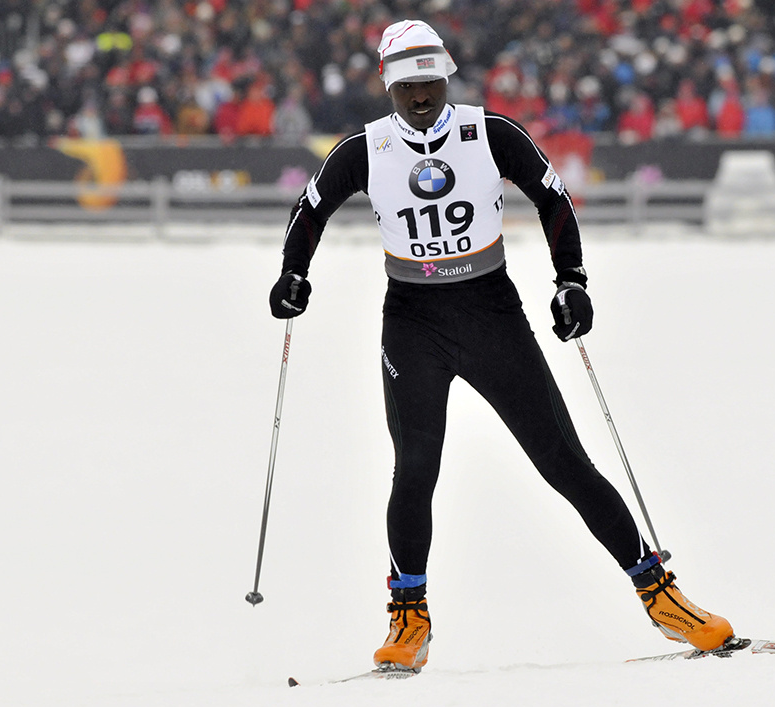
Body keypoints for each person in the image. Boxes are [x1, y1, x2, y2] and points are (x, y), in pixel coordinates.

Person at [268, 19, 737, 673]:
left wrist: (571, 281)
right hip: (413, 322)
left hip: (491, 316)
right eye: (406, 86)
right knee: (415, 468)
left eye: (430, 82)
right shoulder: (366, 148)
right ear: (388, 86)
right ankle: (409, 616)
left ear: (446, 78)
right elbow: (310, 208)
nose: (420, 96)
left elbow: (553, 199)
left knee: (564, 462)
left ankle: (661, 596)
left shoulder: (489, 133)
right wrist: (293, 272)